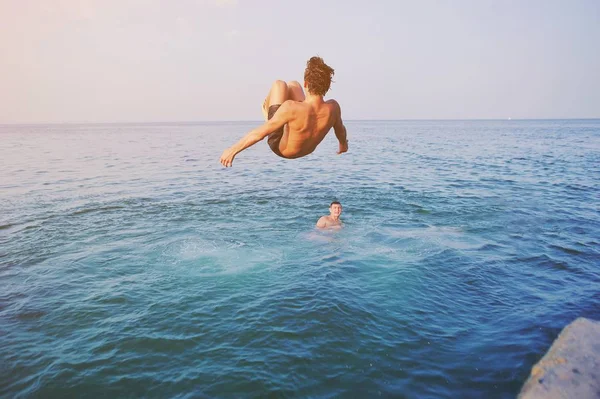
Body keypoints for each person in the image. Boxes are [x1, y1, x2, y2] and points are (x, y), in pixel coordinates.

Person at [220, 56, 348, 167]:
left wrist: (232, 150)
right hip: (306, 149)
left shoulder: (290, 107)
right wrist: (343, 145)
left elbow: (259, 134)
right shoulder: (334, 108)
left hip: (281, 148)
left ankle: (267, 110)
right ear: (327, 85)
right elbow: (340, 130)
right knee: (293, 85)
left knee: (279, 84)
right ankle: (279, 117)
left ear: (306, 83)